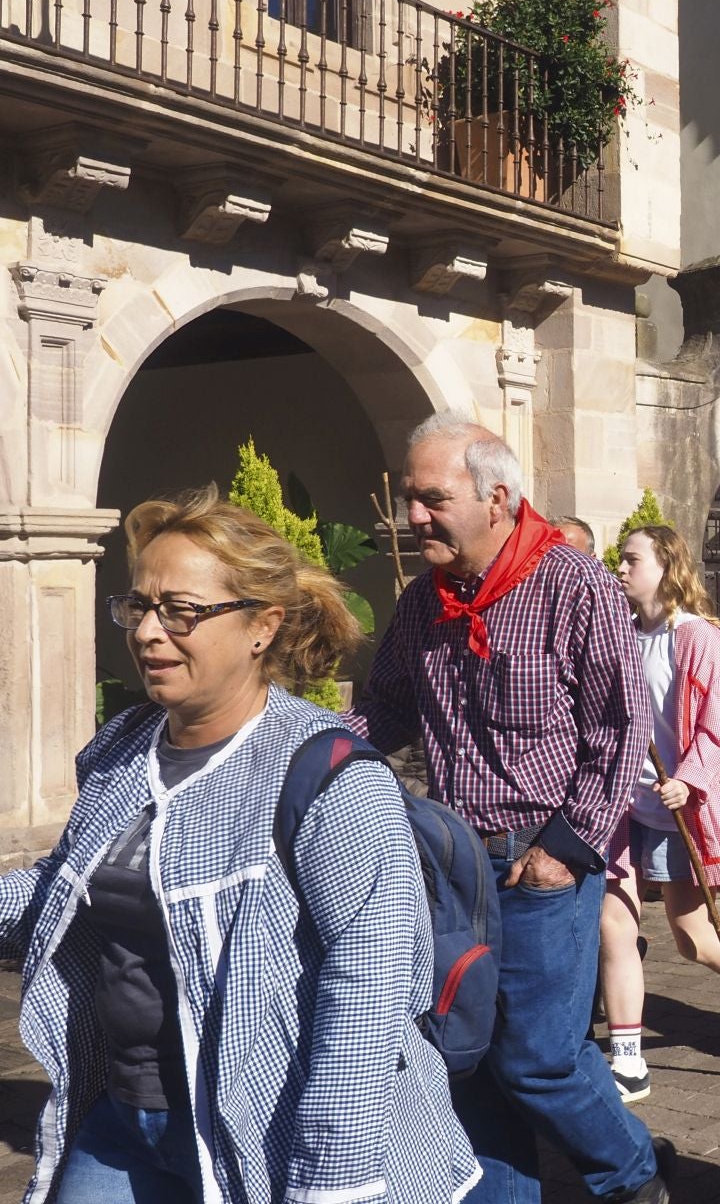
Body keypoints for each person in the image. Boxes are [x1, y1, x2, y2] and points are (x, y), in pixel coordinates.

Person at [0, 487, 478, 1201]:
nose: (148, 633)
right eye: (140, 606)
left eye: (181, 611)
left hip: (267, 1134)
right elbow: (67, 889)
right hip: (125, 1120)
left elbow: (368, 991)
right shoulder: (119, 751)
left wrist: (330, 1181)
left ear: (263, 627)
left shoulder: (329, 777)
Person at [344, 414, 671, 1203]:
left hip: (543, 863)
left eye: (431, 498)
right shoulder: (425, 602)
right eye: (411, 498)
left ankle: (632, 1176)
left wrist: (567, 847)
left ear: (495, 497)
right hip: (455, 868)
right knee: (469, 1052)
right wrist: (298, 756)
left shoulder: (575, 584)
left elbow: (621, 728)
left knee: (537, 1059)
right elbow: (382, 712)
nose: (413, 515)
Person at [601, 526, 720, 1103]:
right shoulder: (621, 637)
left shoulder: (697, 638)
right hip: (617, 805)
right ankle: (627, 1058)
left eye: (632, 560)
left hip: (674, 805)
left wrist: (688, 780)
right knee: (616, 926)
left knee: (690, 935)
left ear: (666, 566)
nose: (621, 569)